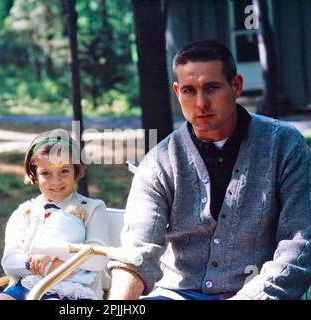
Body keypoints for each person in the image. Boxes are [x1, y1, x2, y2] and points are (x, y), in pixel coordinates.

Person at [107, 39, 311, 300]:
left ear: (236, 86)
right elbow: (137, 251)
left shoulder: (283, 144)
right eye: (189, 90)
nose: (201, 103)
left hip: (257, 293)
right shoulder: (159, 161)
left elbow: (300, 243)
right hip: (176, 294)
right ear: (177, 92)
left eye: (211, 88)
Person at [0, 129, 109, 300]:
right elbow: (9, 261)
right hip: (27, 287)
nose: (56, 181)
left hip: (74, 292)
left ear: (76, 171)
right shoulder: (24, 213)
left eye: (64, 171)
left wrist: (51, 252)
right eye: (46, 173)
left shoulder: (92, 208)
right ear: (34, 174)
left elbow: (97, 260)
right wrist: (43, 264)